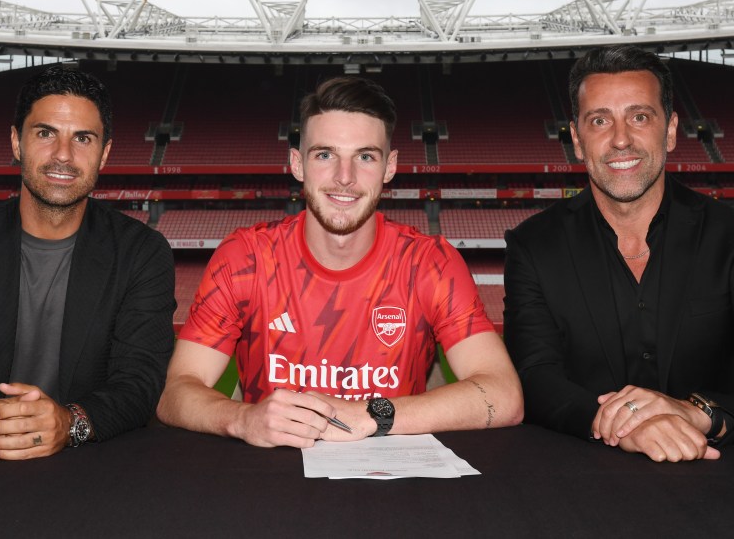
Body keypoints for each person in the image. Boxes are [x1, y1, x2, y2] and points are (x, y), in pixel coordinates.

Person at [158, 76, 523, 447]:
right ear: (297, 164)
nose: (344, 178)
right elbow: (176, 393)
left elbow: (503, 395)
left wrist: (371, 414)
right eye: (325, 154)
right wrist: (242, 418)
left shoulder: (429, 262)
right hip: (270, 484)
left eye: (365, 156)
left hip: (395, 485)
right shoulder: (245, 258)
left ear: (390, 166)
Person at [504, 45, 734, 463]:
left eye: (639, 117)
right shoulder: (532, 245)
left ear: (670, 130)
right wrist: (624, 423)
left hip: (721, 485)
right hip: (578, 482)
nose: (620, 139)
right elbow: (534, 380)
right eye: (600, 120)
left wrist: (693, 411)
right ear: (577, 140)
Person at [0, 65, 176, 460]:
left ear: (105, 154)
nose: (63, 155)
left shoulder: (142, 253)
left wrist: (69, 422)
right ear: (16, 142)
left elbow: (140, 383)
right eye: (46, 133)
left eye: (83, 138)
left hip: (95, 469)